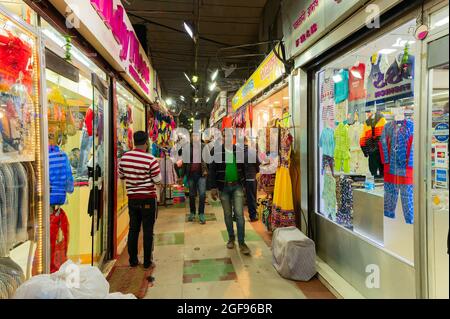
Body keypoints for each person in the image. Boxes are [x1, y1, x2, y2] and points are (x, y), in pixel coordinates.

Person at [118, 131, 161, 269]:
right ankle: (147, 262)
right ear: (146, 143)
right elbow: (157, 179)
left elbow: (122, 175)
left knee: (133, 229)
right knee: (148, 230)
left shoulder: (125, 158)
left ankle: (133, 260)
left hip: (132, 199)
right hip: (148, 199)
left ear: (134, 141)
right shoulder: (150, 159)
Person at [208, 132, 251, 255]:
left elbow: (244, 168)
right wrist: (213, 187)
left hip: (237, 186)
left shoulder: (239, 151)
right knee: (227, 214)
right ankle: (231, 238)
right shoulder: (216, 152)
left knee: (239, 214)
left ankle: (242, 243)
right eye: (225, 137)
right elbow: (212, 170)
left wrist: (244, 185)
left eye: (229, 137)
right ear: (222, 138)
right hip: (223, 187)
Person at [180, 133, 208, 224]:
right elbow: (184, 162)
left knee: (202, 194)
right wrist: (182, 175)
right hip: (191, 174)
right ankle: (192, 212)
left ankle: (201, 214)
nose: (195, 137)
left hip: (201, 174)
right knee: (191, 195)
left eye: (197, 136)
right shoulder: (187, 147)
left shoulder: (204, 146)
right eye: (193, 136)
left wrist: (208, 171)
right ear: (191, 137)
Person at [244, 136, 260, 222]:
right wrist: (256, 171)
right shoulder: (252, 152)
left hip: (242, 179)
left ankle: (236, 215)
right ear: (247, 141)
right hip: (251, 177)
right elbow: (258, 164)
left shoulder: (238, 152)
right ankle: (253, 215)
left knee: (243, 197)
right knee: (252, 197)